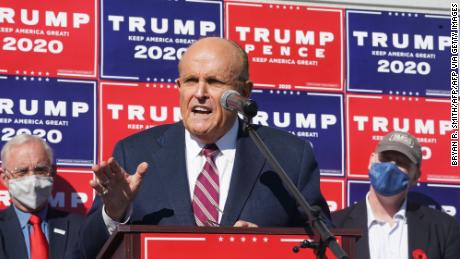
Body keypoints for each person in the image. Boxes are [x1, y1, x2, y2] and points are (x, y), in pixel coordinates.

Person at [81, 37, 330, 258]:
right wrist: (114, 213)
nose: (200, 93)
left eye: (214, 82)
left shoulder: (289, 156)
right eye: (190, 81)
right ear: (178, 87)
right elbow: (84, 253)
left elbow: (325, 245)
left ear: (244, 91)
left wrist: (270, 246)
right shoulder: (134, 153)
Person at [332, 131, 460, 259]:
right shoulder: (334, 227)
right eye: (385, 159)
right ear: (371, 161)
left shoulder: (444, 229)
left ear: (415, 176)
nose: (391, 167)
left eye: (401, 162)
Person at [0, 134, 83, 259]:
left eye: (40, 170)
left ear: (53, 173)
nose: (32, 179)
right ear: (4, 178)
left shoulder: (79, 228)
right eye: (22, 171)